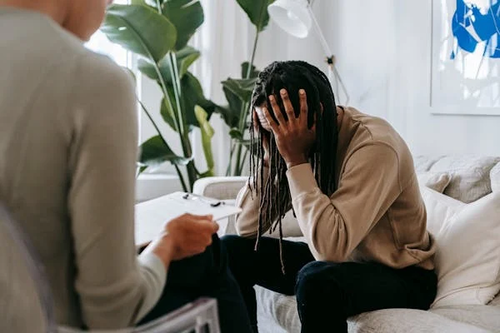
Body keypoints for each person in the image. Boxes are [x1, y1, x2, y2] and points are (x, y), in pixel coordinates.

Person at [0, 0, 251, 331]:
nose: (110, 6)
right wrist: (168, 242)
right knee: (209, 257)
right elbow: (111, 312)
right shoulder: (90, 79)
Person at [221, 61, 438, 333]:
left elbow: (330, 249)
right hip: (343, 261)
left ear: (317, 114)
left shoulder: (375, 145)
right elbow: (246, 226)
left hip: (401, 275)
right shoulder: (292, 142)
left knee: (316, 281)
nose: (278, 138)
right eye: (268, 129)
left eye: (280, 129)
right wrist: (269, 157)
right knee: (227, 250)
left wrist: (295, 159)